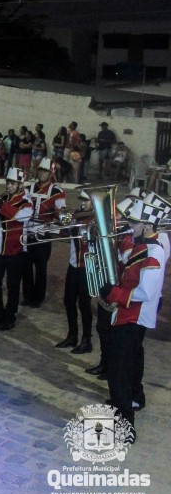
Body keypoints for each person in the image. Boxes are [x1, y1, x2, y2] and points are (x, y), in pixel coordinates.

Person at [102, 195, 167, 440]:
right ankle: (121, 408)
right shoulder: (142, 247)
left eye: (135, 223)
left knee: (119, 371)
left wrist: (114, 293)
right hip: (126, 315)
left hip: (133, 318)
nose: (131, 226)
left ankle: (125, 426)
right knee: (119, 370)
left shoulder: (153, 252)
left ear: (148, 226)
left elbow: (145, 292)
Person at [0, 168, 33, 331]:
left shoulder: (26, 201)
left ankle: (10, 316)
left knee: (12, 285)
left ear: (20, 184)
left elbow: (21, 216)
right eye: (8, 183)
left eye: (12, 183)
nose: (9, 186)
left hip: (15, 250)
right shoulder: (3, 198)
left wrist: (1, 205)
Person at [21, 157, 66, 308]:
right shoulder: (29, 188)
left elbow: (61, 213)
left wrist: (57, 214)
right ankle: (27, 296)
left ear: (51, 173)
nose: (41, 173)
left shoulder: (57, 191)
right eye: (40, 170)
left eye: (45, 171)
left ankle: (38, 298)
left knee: (41, 267)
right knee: (26, 266)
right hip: (27, 232)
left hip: (44, 233)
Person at [55, 191, 94, 355]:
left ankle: (86, 340)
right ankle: (72, 335)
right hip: (73, 264)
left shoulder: (96, 219)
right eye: (82, 200)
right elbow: (64, 232)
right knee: (68, 301)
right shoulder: (77, 215)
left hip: (88, 266)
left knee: (84, 305)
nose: (83, 203)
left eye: (86, 201)